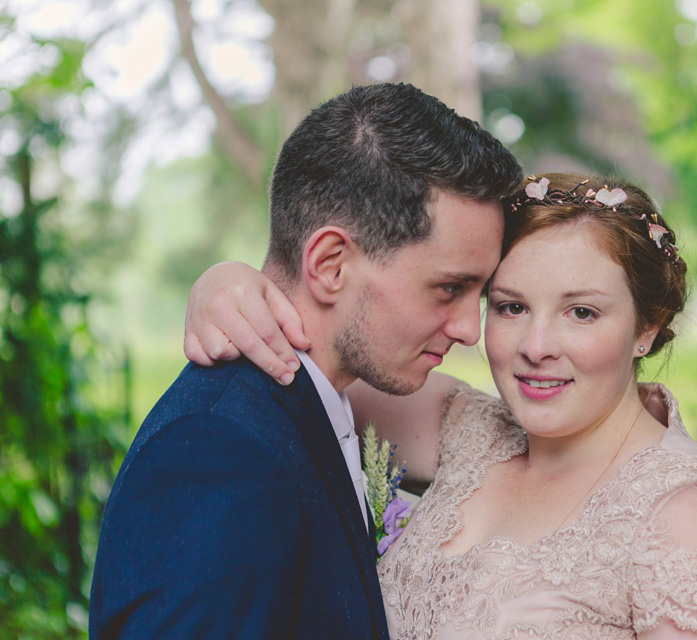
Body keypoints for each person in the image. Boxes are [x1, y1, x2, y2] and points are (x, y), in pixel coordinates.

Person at [185, 172, 697, 638]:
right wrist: (230, 284)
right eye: (511, 307)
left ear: (648, 327)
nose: (536, 347)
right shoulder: (467, 431)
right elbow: (319, 353)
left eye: (581, 312)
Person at [88, 82, 523, 640]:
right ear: (330, 264)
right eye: (448, 288)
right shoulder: (221, 452)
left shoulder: (318, 405)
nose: (469, 329)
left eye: (482, 296)